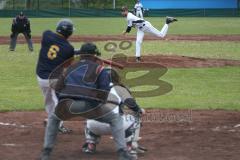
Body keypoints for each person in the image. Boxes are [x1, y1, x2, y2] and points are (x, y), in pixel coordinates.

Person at [40, 42, 143, 160]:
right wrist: (95, 106)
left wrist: (63, 101)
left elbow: (57, 88)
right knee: (115, 118)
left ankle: (46, 152)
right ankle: (122, 153)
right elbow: (103, 93)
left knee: (53, 118)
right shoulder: (100, 69)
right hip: (88, 106)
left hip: (67, 105)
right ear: (95, 56)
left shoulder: (69, 68)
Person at [82, 68, 147, 157]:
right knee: (135, 118)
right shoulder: (119, 88)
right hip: (115, 125)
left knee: (89, 116)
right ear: (116, 78)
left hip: (94, 126)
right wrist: (139, 110)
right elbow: (131, 103)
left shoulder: (94, 88)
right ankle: (130, 147)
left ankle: (90, 145)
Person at [36, 19, 75, 134]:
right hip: (54, 79)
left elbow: (53, 48)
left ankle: (52, 120)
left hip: (41, 78)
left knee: (49, 101)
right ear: (69, 33)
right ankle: (56, 123)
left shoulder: (46, 35)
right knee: (61, 101)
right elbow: (68, 64)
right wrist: (72, 53)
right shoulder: (69, 48)